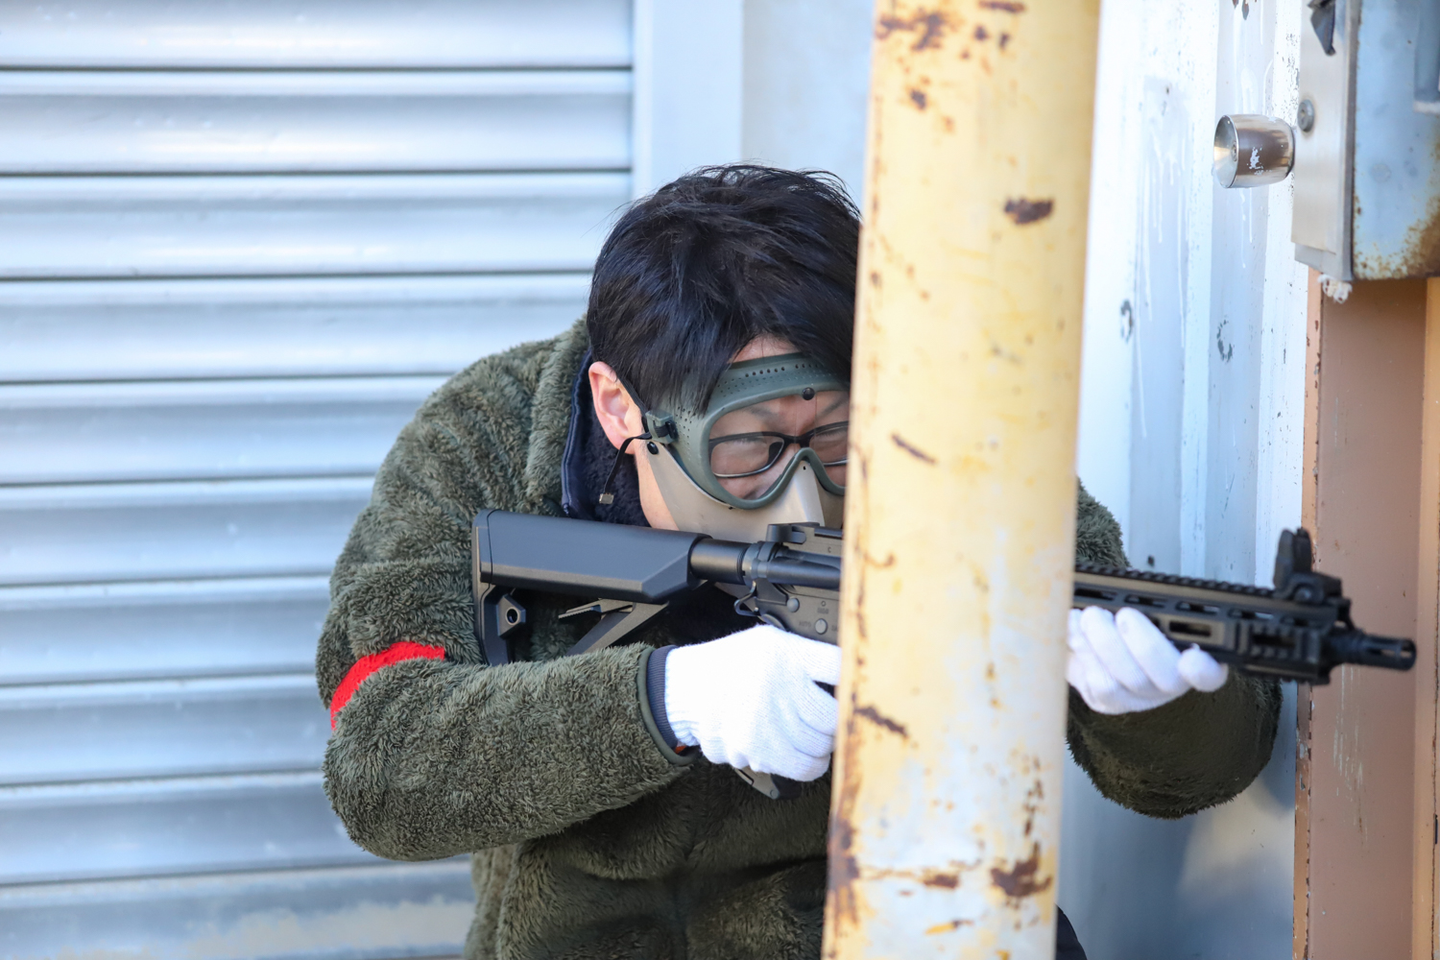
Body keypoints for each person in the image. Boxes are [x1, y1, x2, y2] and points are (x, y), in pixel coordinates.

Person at [317, 165, 1280, 960]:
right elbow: (381, 765)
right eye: (748, 449)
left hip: (874, 919)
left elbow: (1198, 773)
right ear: (619, 409)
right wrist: (672, 701)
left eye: (838, 439)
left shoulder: (950, 431)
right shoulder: (482, 442)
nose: (804, 502)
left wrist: (1154, 710)